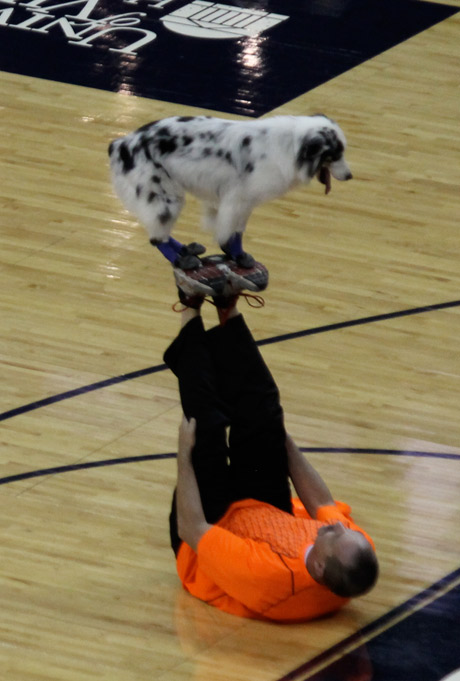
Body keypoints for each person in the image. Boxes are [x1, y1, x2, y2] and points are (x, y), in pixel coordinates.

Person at [164, 257, 379, 623]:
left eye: (333, 533)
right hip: (264, 509)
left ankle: (189, 302)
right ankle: (227, 304)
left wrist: (185, 457)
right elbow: (321, 501)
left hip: (208, 527)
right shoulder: (352, 554)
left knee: (206, 425)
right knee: (263, 407)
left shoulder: (268, 576)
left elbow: (192, 528)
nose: (337, 524)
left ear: (321, 562)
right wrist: (278, 434)